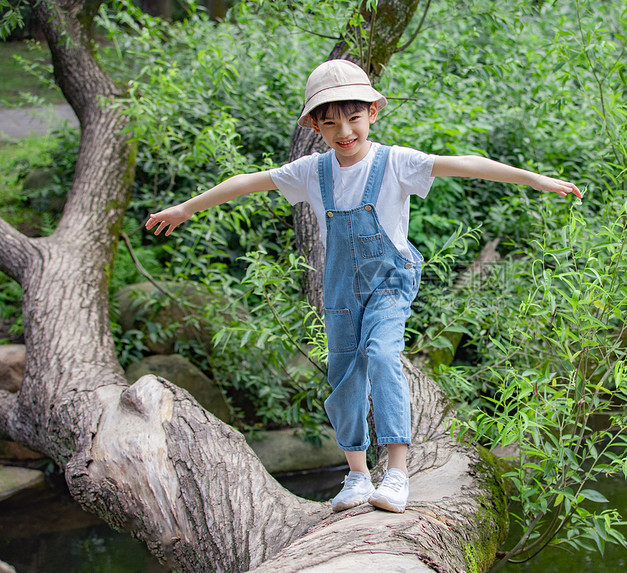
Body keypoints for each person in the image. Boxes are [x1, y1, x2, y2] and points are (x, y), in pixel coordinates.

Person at [146, 59, 582, 514]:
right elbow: (246, 182)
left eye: (354, 118)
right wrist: (184, 209)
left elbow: (467, 164)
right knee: (343, 373)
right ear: (315, 125)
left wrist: (535, 179)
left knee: (381, 354)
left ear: (373, 113)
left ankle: (396, 471)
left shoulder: (396, 162)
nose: (344, 132)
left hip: (390, 281)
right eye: (331, 122)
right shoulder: (312, 172)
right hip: (339, 289)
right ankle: (356, 474)